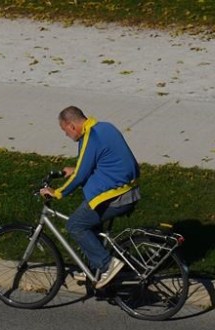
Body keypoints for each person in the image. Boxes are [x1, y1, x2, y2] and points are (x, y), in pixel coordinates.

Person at [40, 106, 140, 289]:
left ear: (71, 126)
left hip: (115, 196)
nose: (66, 135)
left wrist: (58, 192)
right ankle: (93, 268)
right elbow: (96, 161)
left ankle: (107, 264)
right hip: (129, 189)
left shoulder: (90, 137)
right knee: (91, 225)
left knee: (75, 225)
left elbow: (80, 177)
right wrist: (73, 170)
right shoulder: (105, 127)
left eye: (64, 130)